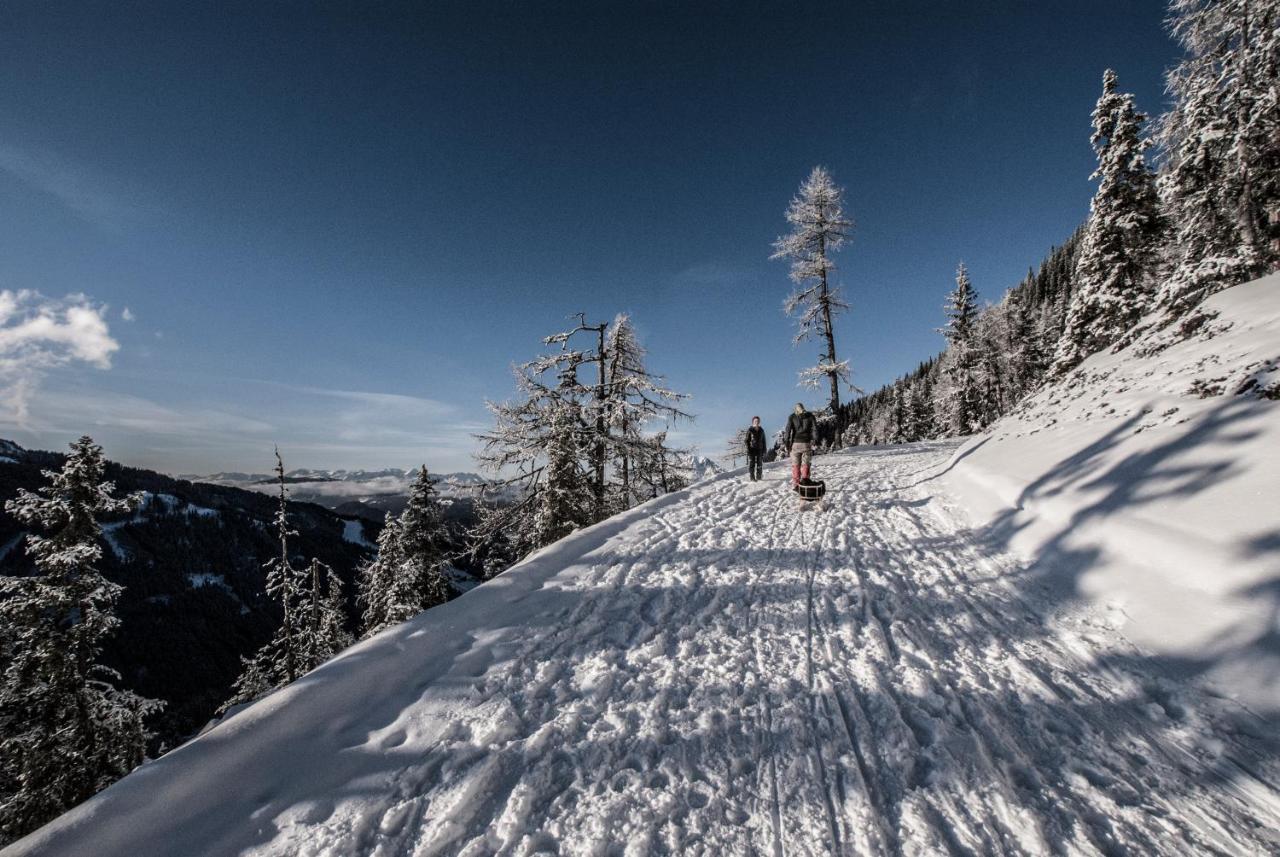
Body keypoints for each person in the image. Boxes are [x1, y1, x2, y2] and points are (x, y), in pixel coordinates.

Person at [784, 402, 817, 487]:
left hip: (796, 443)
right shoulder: (810, 416)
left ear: (796, 409)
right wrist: (815, 440)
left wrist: (787, 442)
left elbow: (788, 430)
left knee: (796, 464)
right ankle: (805, 481)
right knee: (806, 463)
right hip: (806, 443)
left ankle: (796, 483)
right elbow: (814, 429)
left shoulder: (792, 417)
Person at [745, 416, 766, 481]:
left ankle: (759, 477)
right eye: (755, 421)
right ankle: (752, 477)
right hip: (752, 449)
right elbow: (746, 440)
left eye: (758, 421)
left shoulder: (762, 430)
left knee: (759, 463)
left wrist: (764, 449)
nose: (756, 422)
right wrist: (748, 449)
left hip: (760, 448)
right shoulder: (750, 430)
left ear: (759, 422)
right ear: (753, 422)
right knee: (752, 464)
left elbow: (764, 440)